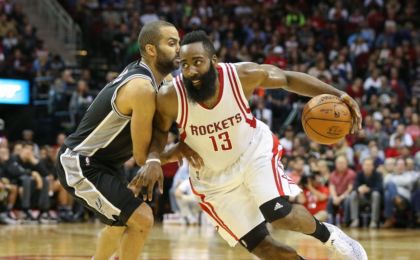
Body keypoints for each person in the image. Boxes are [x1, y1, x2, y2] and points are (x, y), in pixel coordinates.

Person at [138, 30, 367, 259]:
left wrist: (337, 93)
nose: (191, 71)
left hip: (252, 152)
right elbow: (159, 130)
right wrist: (154, 158)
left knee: (280, 215)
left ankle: (331, 236)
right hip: (212, 179)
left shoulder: (242, 75)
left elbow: (287, 79)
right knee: (263, 248)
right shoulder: (170, 96)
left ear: (214, 61)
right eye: (184, 64)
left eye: (197, 62)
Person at [55, 21, 199, 260]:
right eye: (172, 43)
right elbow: (142, 157)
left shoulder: (158, 80)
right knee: (141, 218)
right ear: (151, 50)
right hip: (80, 162)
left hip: (106, 164)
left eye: (179, 43)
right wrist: (179, 151)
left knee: (122, 222)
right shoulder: (141, 87)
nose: (179, 49)